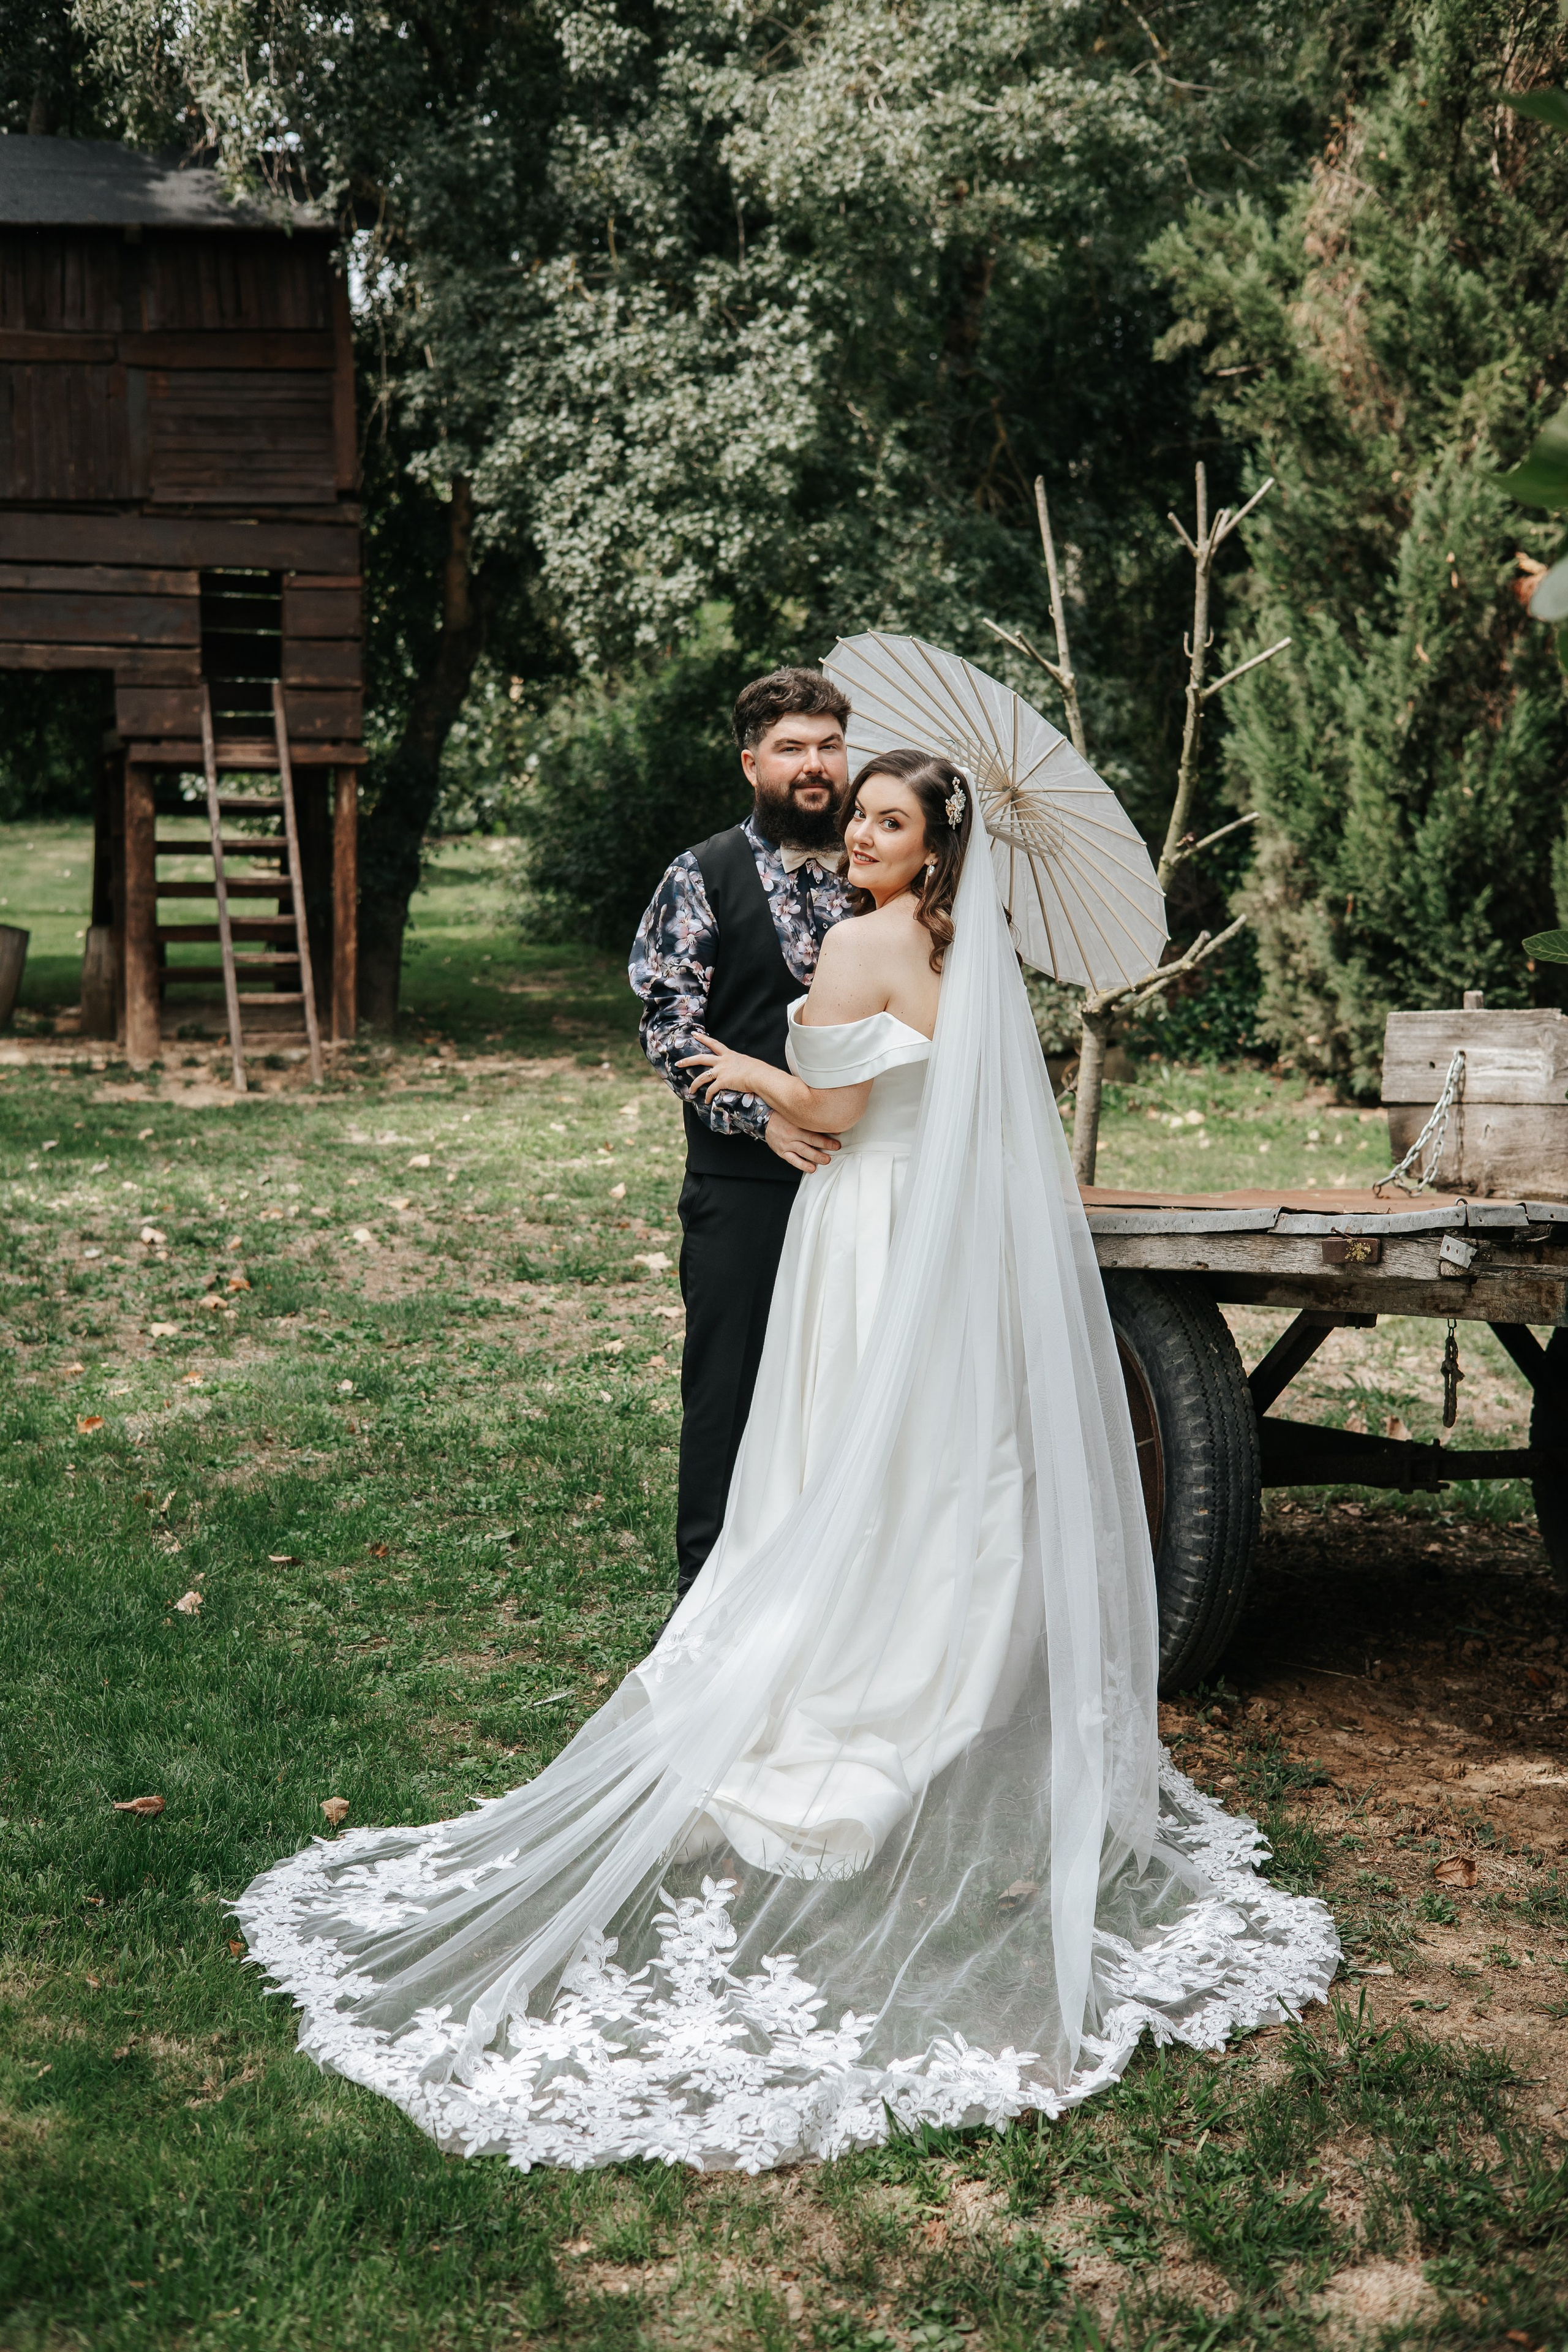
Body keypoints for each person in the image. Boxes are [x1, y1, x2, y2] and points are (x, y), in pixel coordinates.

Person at [235, 747, 1337, 2175]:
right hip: (942, 1256)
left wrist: (744, 1064)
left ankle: (838, 1677)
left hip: (864, 1236)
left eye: (885, 820)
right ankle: (944, 1668)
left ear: (933, 846)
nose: (855, 833)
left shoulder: (866, 942)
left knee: (832, 1462)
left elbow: (829, 1121)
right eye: (856, 813)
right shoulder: (968, 949)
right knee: (936, 1468)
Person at [629, 667, 857, 1602]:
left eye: (830, 745)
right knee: (728, 1387)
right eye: (793, 748)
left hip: (867, 1177)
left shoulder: (883, 871)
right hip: (744, 1182)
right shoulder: (703, 873)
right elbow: (668, 1026)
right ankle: (707, 1596)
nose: (815, 765)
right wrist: (763, 1120)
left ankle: (835, 1584)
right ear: (751, 762)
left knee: (849, 1384)